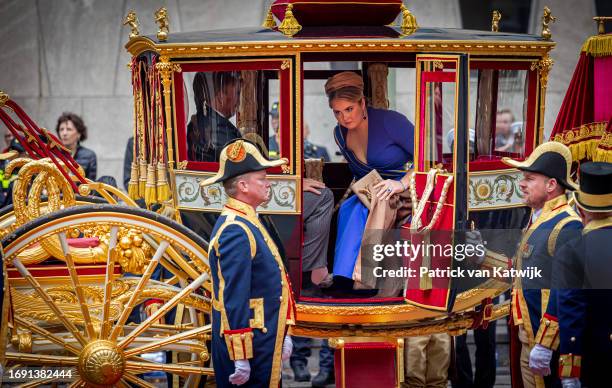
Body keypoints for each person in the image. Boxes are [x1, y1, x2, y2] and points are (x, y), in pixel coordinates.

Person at [201, 139, 295, 387]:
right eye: (262, 178)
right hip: (251, 345)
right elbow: (234, 297)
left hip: (262, 338)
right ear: (243, 185)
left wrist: (284, 332)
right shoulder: (236, 230)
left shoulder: (246, 221)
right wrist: (240, 355)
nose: (268, 183)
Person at [501, 141, 583, 388]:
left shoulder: (568, 225)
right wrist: (479, 256)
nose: (521, 184)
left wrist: (546, 344)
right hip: (528, 337)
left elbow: (567, 291)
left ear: (551, 185)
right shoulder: (538, 219)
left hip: (546, 344)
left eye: (530, 178)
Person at [326, 71, 414, 286]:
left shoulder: (392, 122)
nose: (344, 117)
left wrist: (400, 183)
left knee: (379, 201)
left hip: (406, 191)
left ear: (362, 102)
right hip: (369, 191)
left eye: (349, 109)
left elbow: (428, 158)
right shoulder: (339, 134)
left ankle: (364, 279)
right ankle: (342, 278)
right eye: (337, 112)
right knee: (351, 208)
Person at [545, 162, 612, 388]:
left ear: (581, 211)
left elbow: (571, 312)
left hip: (594, 360)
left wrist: (569, 370)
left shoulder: (573, 251)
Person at [187, 71, 242, 162]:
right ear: (221, 97)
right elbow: (240, 161)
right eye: (237, 93)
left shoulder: (200, 120)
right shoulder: (220, 129)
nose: (239, 101)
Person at [55, 112, 97, 180]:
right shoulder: (52, 154)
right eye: (61, 129)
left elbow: (91, 184)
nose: (64, 133)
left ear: (79, 134)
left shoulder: (89, 155)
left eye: (69, 129)